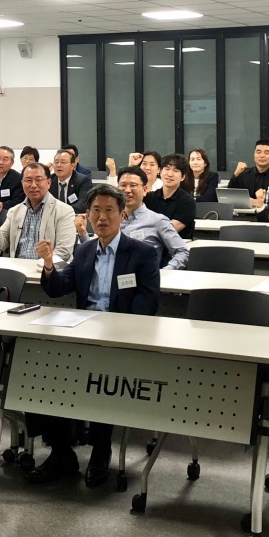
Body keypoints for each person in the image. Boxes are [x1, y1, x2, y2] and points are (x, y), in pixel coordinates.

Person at [27, 184, 160, 487]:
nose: (102, 217)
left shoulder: (142, 253)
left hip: (119, 338)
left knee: (103, 377)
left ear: (122, 215)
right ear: (87, 215)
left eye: (109, 210)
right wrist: (48, 265)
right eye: (96, 211)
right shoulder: (84, 250)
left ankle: (101, 449)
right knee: (39, 367)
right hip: (82, 332)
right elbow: (59, 288)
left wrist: (114, 329)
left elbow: (148, 303)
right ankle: (61, 451)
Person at [79, 167, 188, 269]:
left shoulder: (157, 221)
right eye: (123, 185)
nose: (127, 190)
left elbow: (182, 252)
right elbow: (97, 250)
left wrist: (164, 272)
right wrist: (83, 234)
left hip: (142, 278)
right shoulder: (110, 218)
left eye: (133, 185)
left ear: (145, 190)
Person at [0, 162, 77, 263]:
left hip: (47, 269)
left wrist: (40, 266)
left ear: (48, 183)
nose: (33, 185)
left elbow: (63, 252)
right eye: (28, 180)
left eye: (38, 180)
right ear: (22, 183)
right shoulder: (14, 211)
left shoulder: (64, 211)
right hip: (17, 269)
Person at [145, 153, 197, 238]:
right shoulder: (149, 197)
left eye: (175, 171)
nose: (170, 174)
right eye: (167, 169)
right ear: (160, 172)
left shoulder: (187, 201)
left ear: (183, 177)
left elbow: (168, 230)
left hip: (176, 245)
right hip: (148, 242)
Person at [228, 139, 269, 206]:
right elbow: (230, 196)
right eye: (258, 152)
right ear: (254, 154)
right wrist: (236, 174)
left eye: (266, 153)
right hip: (244, 212)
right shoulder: (244, 174)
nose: (262, 156)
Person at [48, 148, 92, 215]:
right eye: (56, 162)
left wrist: (61, 211)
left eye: (63, 162)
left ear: (72, 165)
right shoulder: (49, 180)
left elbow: (83, 204)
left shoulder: (83, 180)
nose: (59, 165)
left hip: (73, 217)